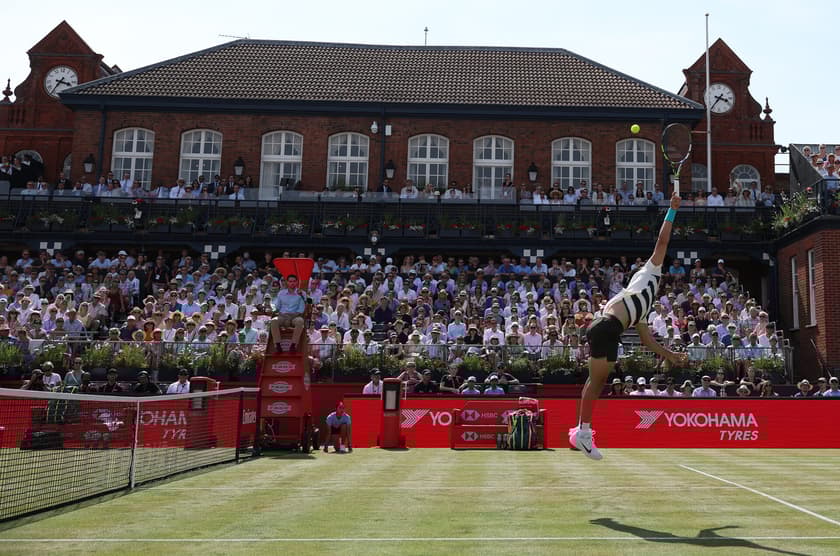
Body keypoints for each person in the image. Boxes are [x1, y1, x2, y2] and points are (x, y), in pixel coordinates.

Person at [572, 194, 688, 460]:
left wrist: (670, 355)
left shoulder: (643, 308)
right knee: (596, 383)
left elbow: (647, 341)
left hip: (607, 329)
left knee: (595, 381)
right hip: (607, 327)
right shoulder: (649, 273)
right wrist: (672, 211)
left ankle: (581, 429)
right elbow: (662, 242)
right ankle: (583, 433)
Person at [269, 274, 306, 353]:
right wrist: (272, 309)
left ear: (297, 282)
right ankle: (277, 345)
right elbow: (277, 307)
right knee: (274, 321)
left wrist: (290, 317)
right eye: (290, 281)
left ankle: (293, 345)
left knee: (300, 321)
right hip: (282, 316)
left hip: (295, 316)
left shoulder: (301, 293)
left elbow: (301, 310)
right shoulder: (281, 293)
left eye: (294, 281)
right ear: (287, 282)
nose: (292, 283)